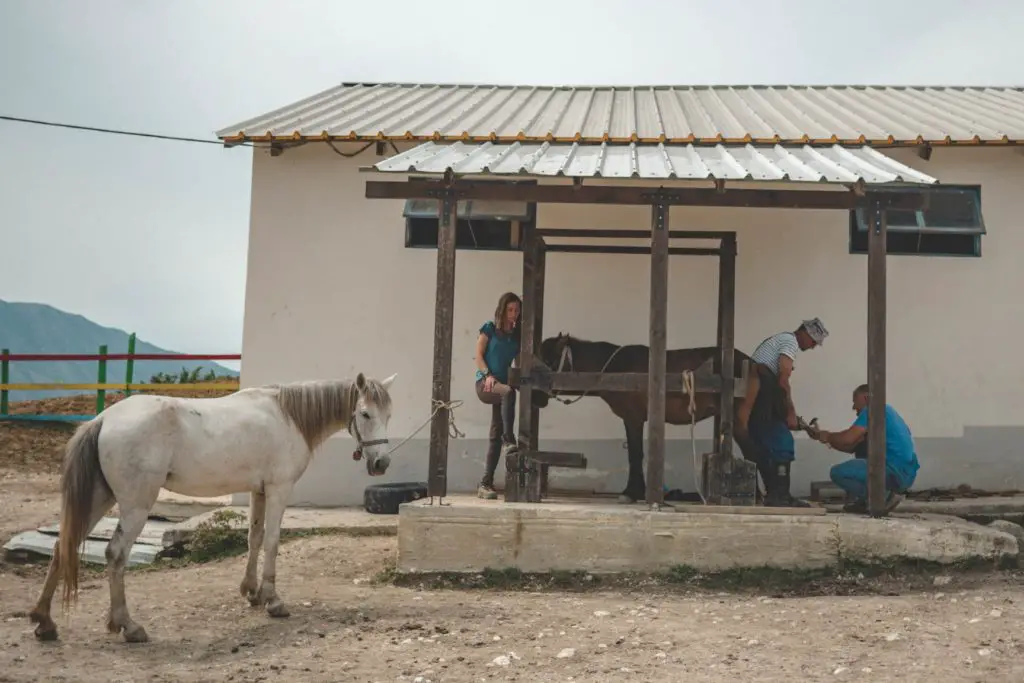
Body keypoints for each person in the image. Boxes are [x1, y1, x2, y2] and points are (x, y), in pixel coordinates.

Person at [737, 317, 829, 507]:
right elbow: (783, 381)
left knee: (764, 449)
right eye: (813, 342)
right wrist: (790, 413)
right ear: (805, 333)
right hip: (764, 398)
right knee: (782, 444)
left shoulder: (779, 340)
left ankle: (774, 495)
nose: (812, 347)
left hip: (758, 399)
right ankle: (780, 497)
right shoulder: (789, 341)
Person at [811, 384, 920, 514]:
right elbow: (851, 446)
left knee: (837, 473)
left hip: (892, 471)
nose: (853, 407)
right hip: (905, 474)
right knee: (862, 454)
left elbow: (848, 439)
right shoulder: (887, 412)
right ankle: (870, 501)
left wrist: (828, 435)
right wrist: (825, 438)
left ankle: (881, 497)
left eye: (855, 401)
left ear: (866, 398)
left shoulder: (872, 410)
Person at [474, 292, 522, 500]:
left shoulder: (517, 335)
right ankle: (508, 439)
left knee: (494, 434)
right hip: (485, 384)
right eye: (510, 310)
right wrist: (487, 375)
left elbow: (521, 361)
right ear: (502, 310)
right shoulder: (489, 328)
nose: (513, 314)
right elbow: (478, 355)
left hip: (502, 389)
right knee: (508, 392)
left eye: (517, 310)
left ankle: (485, 484)